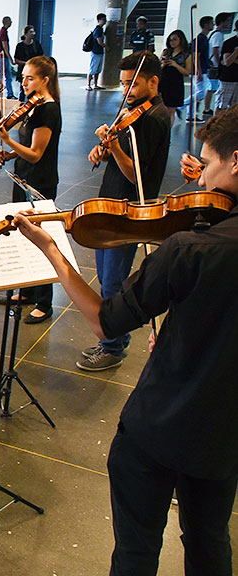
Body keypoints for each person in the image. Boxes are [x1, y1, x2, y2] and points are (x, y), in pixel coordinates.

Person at [11, 106, 238, 576]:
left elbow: (104, 322)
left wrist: (53, 250)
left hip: (162, 425)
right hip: (225, 435)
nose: (201, 175)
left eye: (208, 163)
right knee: (209, 541)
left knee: (135, 554)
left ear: (235, 162)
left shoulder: (191, 249)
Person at [81, 51, 171, 370]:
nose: (126, 91)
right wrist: (103, 152)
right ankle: (110, 339)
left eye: (132, 84)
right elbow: (120, 162)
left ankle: (114, 346)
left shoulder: (154, 118)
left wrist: (115, 146)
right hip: (112, 203)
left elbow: (139, 176)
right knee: (106, 277)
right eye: (122, 84)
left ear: (153, 82)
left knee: (114, 282)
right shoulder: (133, 113)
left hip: (129, 211)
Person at [0, 56, 62, 323]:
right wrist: (10, 154)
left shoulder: (47, 110)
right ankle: (28, 291)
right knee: (23, 234)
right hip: (24, 177)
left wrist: (8, 138)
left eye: (30, 78)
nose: (23, 82)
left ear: (45, 80)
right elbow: (26, 150)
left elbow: (35, 154)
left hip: (40, 182)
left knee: (41, 239)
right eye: (22, 77)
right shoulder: (33, 106)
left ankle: (45, 303)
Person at [181, 16, 212, 121]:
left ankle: (190, 116)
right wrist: (199, 71)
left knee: (195, 93)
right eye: (211, 23)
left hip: (200, 69)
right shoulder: (201, 39)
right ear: (206, 25)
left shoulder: (202, 39)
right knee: (201, 93)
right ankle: (181, 105)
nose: (213, 25)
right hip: (199, 70)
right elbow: (196, 56)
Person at [157, 30, 192, 121]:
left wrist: (175, 65)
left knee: (171, 109)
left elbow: (187, 72)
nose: (172, 42)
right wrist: (163, 64)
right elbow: (157, 67)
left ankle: (168, 130)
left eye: (175, 40)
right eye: (171, 40)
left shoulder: (186, 55)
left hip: (175, 83)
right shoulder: (166, 52)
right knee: (161, 107)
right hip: (164, 81)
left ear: (181, 40)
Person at [205, 12, 230, 116]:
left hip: (214, 65)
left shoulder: (217, 34)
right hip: (215, 66)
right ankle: (207, 108)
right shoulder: (218, 35)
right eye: (228, 20)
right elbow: (215, 50)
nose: (229, 23)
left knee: (212, 87)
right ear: (222, 21)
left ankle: (207, 108)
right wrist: (220, 64)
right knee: (211, 88)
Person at [13, 25, 44, 102]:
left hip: (35, 70)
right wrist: (26, 63)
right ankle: (20, 105)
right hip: (24, 70)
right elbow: (16, 60)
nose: (33, 33)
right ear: (25, 34)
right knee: (23, 89)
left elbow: (41, 56)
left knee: (35, 89)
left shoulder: (36, 44)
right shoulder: (20, 46)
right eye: (31, 32)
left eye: (33, 32)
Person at [216, 17, 238, 113]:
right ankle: (216, 125)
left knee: (234, 107)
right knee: (221, 105)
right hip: (228, 78)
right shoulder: (229, 43)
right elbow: (227, 62)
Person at [87, 13, 106, 91]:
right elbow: (99, 41)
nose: (105, 21)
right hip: (95, 51)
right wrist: (106, 46)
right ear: (99, 20)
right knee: (92, 69)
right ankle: (88, 85)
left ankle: (95, 84)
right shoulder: (98, 29)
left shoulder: (101, 29)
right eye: (103, 19)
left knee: (98, 69)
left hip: (99, 52)